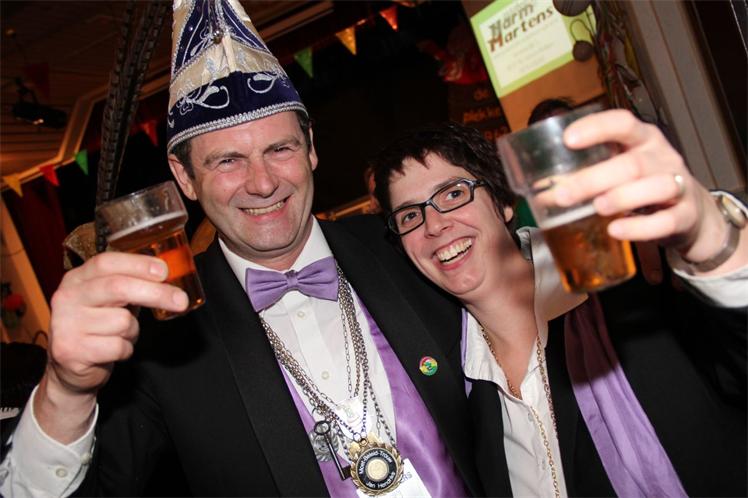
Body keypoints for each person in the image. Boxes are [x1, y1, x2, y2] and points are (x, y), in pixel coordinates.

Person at [0, 1, 481, 496]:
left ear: (310, 146)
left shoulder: (409, 248)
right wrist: (65, 390)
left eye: (280, 149)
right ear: (185, 177)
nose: (263, 183)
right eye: (227, 161)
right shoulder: (160, 340)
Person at [370, 120, 747, 497]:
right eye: (409, 216)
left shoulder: (632, 288)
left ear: (503, 202)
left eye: (453, 194)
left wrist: (713, 239)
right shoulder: (460, 391)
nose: (434, 224)